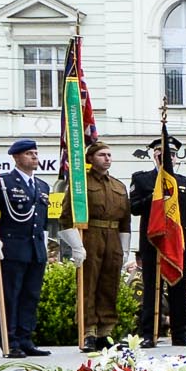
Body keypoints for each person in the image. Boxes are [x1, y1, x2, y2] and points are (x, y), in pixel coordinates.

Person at [128, 135, 186, 347]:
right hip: (152, 242)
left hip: (177, 243)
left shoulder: (184, 183)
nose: (167, 157)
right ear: (155, 155)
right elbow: (134, 208)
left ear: (176, 158)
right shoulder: (142, 180)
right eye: (162, 154)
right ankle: (149, 334)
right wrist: (157, 196)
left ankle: (179, 334)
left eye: (171, 155)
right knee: (152, 289)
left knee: (178, 289)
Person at [56, 140, 128, 352]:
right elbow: (66, 217)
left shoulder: (119, 185)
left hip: (113, 236)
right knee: (89, 284)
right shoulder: (80, 185)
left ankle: (106, 332)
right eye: (102, 155)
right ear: (90, 159)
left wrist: (124, 248)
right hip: (91, 235)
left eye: (109, 155)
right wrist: (76, 245)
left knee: (109, 285)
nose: (107, 158)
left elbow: (125, 220)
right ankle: (89, 331)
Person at [0, 138, 51, 356]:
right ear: (16, 157)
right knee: (11, 295)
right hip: (13, 246)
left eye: (36, 153)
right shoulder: (4, 183)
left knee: (30, 295)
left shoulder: (42, 186)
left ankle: (26, 338)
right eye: (29, 154)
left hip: (36, 248)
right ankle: (10, 341)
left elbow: (43, 221)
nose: (35, 157)